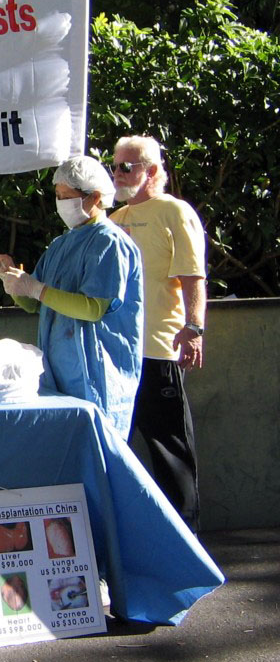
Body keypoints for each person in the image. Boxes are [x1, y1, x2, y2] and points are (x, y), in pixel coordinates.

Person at [0, 156, 143, 437]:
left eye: (67, 196)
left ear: (95, 197)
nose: (60, 203)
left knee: (97, 450)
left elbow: (93, 308)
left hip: (96, 374)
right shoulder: (61, 245)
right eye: (58, 196)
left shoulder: (110, 242)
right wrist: (10, 278)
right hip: (57, 372)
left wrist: (35, 288)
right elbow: (35, 304)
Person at [110, 135, 206, 529]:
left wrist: (194, 327)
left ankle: (187, 539)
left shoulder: (174, 211)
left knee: (169, 450)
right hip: (117, 355)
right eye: (114, 166)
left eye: (125, 166)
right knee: (115, 448)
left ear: (151, 171)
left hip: (159, 350)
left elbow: (193, 275)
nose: (117, 173)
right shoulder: (114, 219)